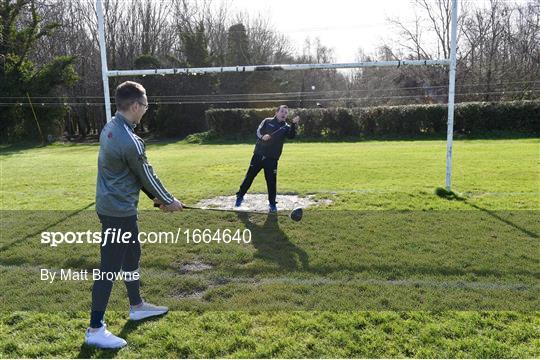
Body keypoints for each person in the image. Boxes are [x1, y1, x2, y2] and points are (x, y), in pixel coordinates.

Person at [86, 81, 182, 349]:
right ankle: (95, 328)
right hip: (118, 212)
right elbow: (146, 175)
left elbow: (131, 173)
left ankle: (137, 306)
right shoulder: (130, 140)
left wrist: (157, 200)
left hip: (114, 207)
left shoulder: (111, 127)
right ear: (137, 106)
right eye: (146, 105)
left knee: (132, 254)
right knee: (108, 268)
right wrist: (168, 200)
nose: (146, 110)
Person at [235, 105, 300, 212]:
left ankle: (272, 203)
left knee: (271, 182)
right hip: (258, 155)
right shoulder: (267, 121)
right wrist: (262, 136)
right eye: (282, 111)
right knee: (249, 177)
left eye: (286, 112)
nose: (284, 114)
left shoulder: (286, 127)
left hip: (272, 159)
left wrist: (293, 124)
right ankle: (240, 196)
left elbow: (291, 136)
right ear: (277, 112)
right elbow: (258, 131)